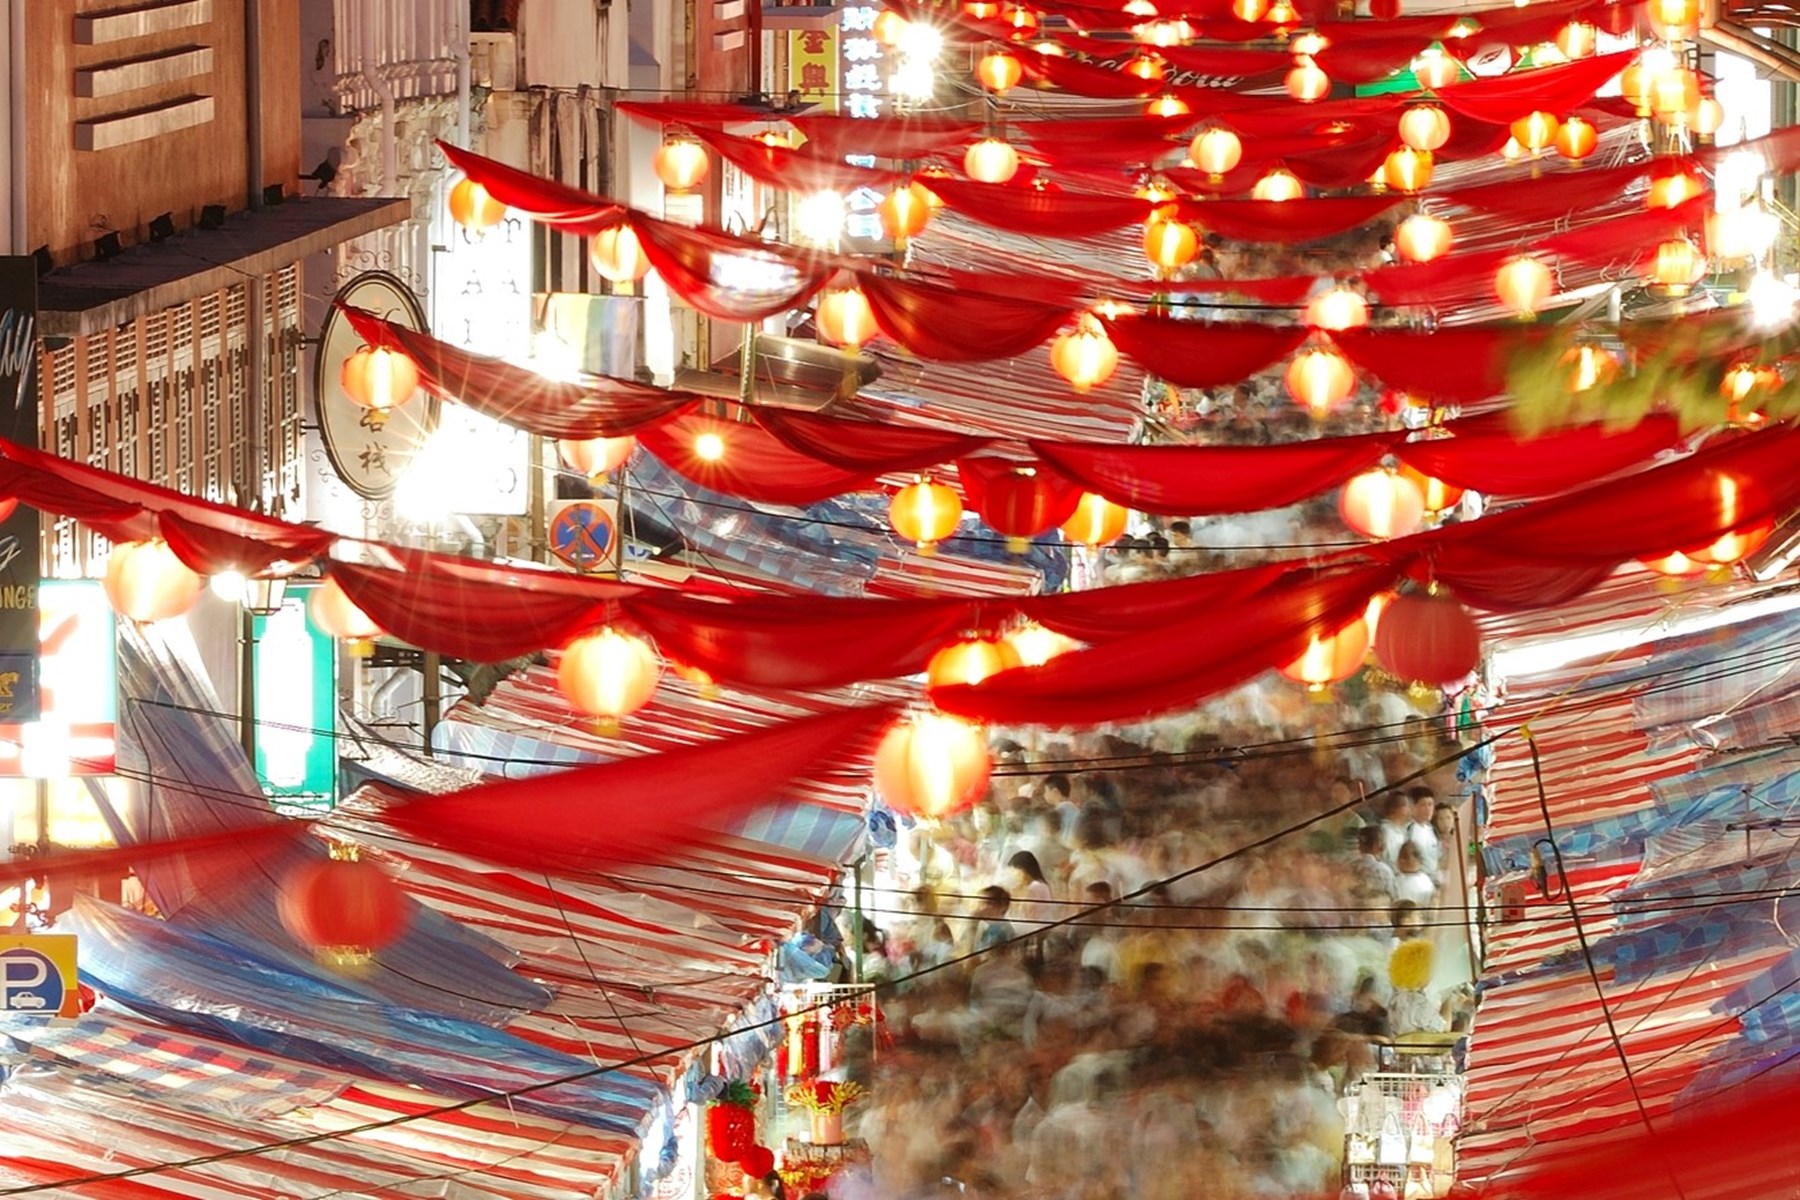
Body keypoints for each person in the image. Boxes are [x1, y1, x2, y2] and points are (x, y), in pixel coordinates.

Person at [1393, 842, 1437, 908]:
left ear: (1418, 860)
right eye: (1400, 856)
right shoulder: (1394, 881)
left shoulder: (1426, 883)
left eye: (1405, 857)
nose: (1402, 860)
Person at [972, 886, 1016, 953]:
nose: (981, 908)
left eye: (987, 903)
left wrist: (972, 924)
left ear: (1002, 907)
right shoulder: (986, 926)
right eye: (980, 903)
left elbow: (984, 954)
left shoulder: (1000, 929)